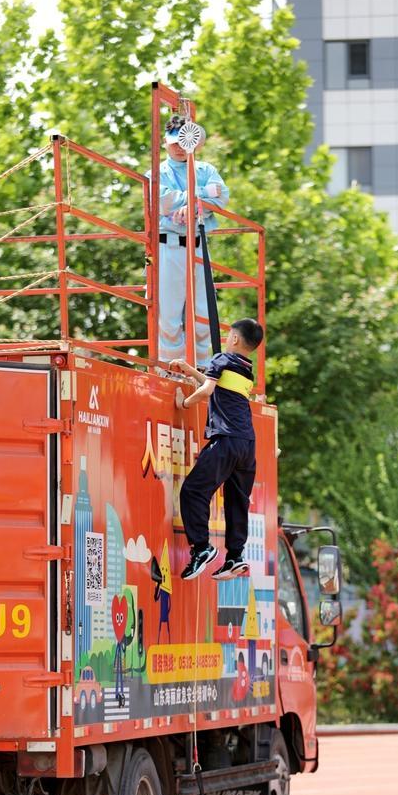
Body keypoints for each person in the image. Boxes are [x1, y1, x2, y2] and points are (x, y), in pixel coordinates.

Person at [170, 317, 264, 581]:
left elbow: (208, 390)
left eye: (228, 335)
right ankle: (234, 556)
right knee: (237, 501)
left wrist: (184, 404)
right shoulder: (246, 369)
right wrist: (190, 370)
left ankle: (201, 548)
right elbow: (217, 385)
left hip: (226, 440)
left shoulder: (222, 359)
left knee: (193, 491)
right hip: (247, 444)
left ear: (234, 338)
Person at [153, 114, 229, 368]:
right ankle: (171, 368)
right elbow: (162, 202)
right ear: (165, 142)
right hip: (169, 244)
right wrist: (199, 198)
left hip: (198, 244)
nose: (179, 148)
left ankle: (202, 367)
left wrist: (191, 205)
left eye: (183, 142)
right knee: (169, 313)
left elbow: (222, 196)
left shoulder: (205, 169)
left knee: (203, 312)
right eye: (174, 142)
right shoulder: (157, 171)